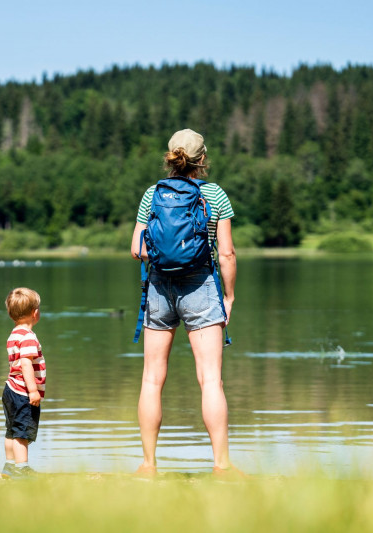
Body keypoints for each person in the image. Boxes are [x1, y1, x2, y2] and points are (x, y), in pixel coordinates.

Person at [129, 128, 242, 479]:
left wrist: (166, 254)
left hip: (160, 288)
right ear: (202, 158)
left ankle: (148, 466)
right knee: (211, 381)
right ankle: (222, 467)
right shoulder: (214, 195)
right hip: (201, 287)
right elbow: (226, 252)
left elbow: (137, 248)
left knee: (151, 379)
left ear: (170, 156)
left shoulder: (153, 193)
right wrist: (229, 295)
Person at [1, 287, 45, 478]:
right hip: (22, 392)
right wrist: (33, 390)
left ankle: (9, 466)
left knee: (11, 429)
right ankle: (22, 469)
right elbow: (26, 364)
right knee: (22, 432)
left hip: (10, 389)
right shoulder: (28, 337)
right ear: (35, 313)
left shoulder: (14, 335)